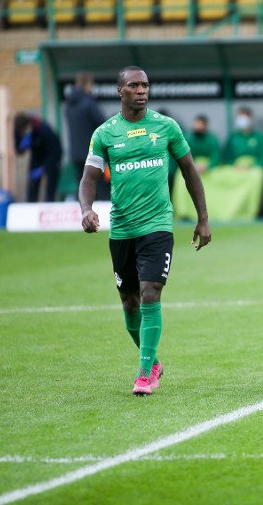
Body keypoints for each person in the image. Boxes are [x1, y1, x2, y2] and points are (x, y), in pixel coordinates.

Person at [78, 66, 211, 396]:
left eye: (145, 85)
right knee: (129, 303)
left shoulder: (166, 127)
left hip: (157, 226)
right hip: (122, 229)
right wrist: (86, 209)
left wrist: (203, 217)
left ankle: (144, 374)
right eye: (134, 85)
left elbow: (190, 171)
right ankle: (152, 361)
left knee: (151, 291)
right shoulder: (105, 134)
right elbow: (89, 179)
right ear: (120, 91)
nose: (141, 90)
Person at [65, 72, 108, 199]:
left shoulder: (68, 106)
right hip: (91, 154)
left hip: (76, 155)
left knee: (83, 188)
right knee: (98, 189)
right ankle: (101, 217)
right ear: (87, 84)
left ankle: (85, 216)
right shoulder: (89, 104)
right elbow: (103, 126)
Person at [13, 112, 63, 202]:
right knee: (32, 183)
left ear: (28, 125)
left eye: (25, 130)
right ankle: (31, 205)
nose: (24, 133)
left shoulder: (43, 129)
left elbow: (55, 151)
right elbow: (19, 150)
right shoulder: (17, 130)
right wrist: (22, 146)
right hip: (37, 156)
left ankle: (49, 203)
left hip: (50, 154)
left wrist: (45, 168)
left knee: (50, 184)